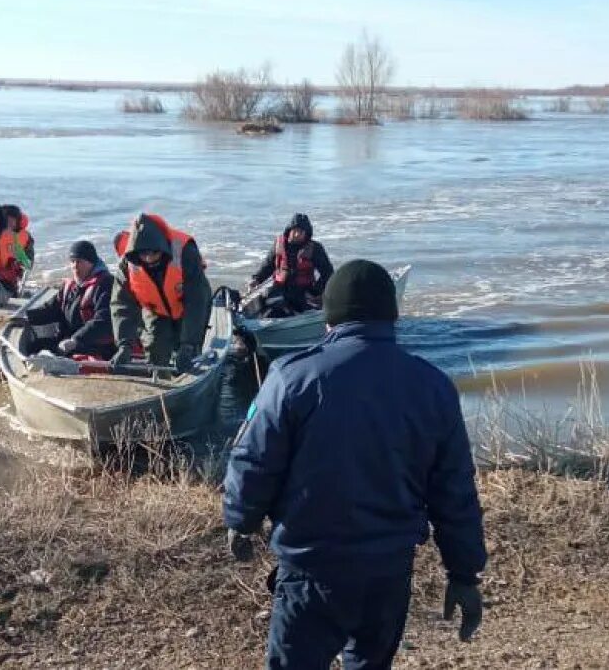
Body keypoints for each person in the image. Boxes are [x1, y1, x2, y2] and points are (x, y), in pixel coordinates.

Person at [222, 259, 487, 670]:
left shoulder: (291, 378)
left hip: (311, 571)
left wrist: (241, 519)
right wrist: (464, 573)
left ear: (329, 318)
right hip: (387, 573)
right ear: (392, 315)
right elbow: (455, 490)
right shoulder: (433, 386)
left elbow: (254, 460)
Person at [110, 213, 211, 373]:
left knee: (189, 354)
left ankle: (191, 373)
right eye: (144, 254)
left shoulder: (185, 251)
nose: (149, 259)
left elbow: (196, 300)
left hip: (188, 306)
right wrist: (124, 345)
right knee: (156, 350)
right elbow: (122, 305)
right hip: (155, 310)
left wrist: (188, 344)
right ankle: (161, 384)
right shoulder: (127, 264)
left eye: (154, 253)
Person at [23, 240, 117, 360]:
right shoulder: (70, 285)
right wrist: (27, 317)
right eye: (72, 261)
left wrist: (75, 340)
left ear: (91, 263)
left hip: (96, 346)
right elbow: (52, 309)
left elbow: (104, 320)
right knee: (35, 346)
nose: (75, 266)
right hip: (68, 341)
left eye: (79, 261)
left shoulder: (105, 284)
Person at [247, 213, 334, 317]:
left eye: (301, 231)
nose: (297, 234)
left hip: (303, 292)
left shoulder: (315, 248)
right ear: (289, 230)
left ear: (307, 233)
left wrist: (316, 292)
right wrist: (256, 279)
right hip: (280, 288)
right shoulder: (279, 244)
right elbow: (268, 265)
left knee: (303, 309)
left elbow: (328, 273)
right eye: (295, 230)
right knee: (269, 307)